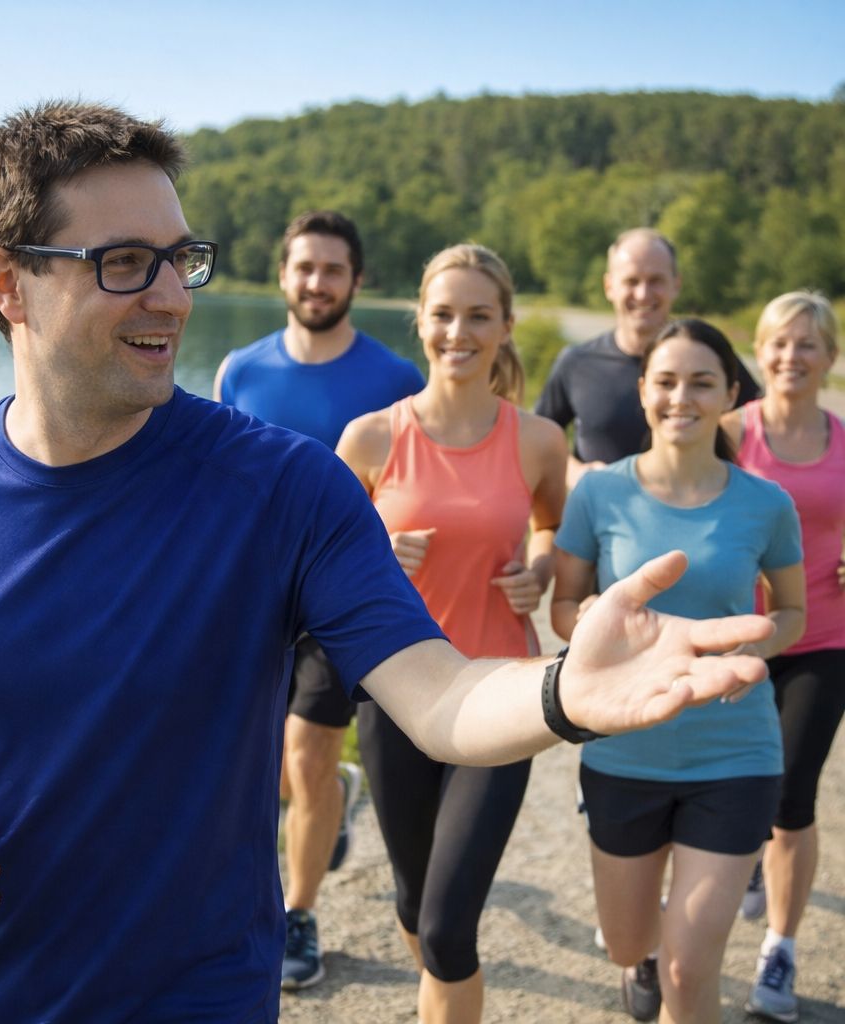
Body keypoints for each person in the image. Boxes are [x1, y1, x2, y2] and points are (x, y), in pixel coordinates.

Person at [0, 101, 782, 1024]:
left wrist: (564, 692)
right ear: (6, 282)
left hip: (195, 997)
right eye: (123, 262)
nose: (169, 295)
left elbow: (436, 693)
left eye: (180, 259)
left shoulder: (282, 488)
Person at [336, 243, 567, 1023]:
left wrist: (539, 569)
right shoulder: (370, 438)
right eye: (442, 314)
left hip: (502, 694)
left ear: (506, 326)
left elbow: (550, 527)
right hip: (396, 693)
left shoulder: (538, 441)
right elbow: (324, 574)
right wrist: (373, 547)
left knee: (446, 925)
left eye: (478, 315)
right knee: (412, 902)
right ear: (420, 323)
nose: (457, 331)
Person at [551, 318, 805, 1023]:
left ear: (730, 393)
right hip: (623, 752)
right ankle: (653, 947)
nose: (681, 397)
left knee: (692, 972)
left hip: (735, 753)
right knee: (629, 945)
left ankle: (688, 939)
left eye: (702, 382)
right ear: (642, 391)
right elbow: (567, 606)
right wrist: (610, 637)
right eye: (665, 381)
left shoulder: (766, 503)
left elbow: (792, 614)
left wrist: (749, 649)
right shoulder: (599, 495)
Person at [213, 210, 424, 990]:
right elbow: (216, 483)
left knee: (303, 750)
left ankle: (296, 912)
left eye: (333, 269)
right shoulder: (240, 370)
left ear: (356, 282)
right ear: (283, 275)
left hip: (340, 601)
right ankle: (331, 796)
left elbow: (419, 479)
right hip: (255, 596)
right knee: (265, 759)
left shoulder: (398, 380)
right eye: (305, 267)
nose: (317, 282)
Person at [720, 292, 845, 1024]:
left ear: (829, 357)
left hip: (823, 642)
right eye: (778, 344)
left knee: (790, 800)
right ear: (758, 352)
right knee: (718, 782)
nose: (791, 357)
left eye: (807, 345)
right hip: (732, 640)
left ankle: (780, 948)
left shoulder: (842, 442)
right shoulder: (731, 433)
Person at [535, 228, 759, 490]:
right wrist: (574, 471)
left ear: (676, 284)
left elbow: (766, 428)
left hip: (696, 518)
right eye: (631, 281)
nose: (643, 294)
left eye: (656, 280)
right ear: (609, 286)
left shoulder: (709, 357)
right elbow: (537, 438)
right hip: (602, 522)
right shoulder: (577, 362)